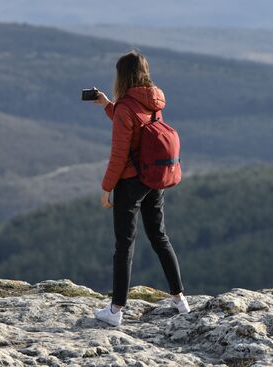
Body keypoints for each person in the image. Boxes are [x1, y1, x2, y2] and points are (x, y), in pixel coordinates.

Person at [92, 50, 190, 327]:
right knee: (159, 236)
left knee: (124, 244)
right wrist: (107, 105)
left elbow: (120, 153)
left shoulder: (126, 107)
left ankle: (115, 311)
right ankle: (180, 299)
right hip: (153, 177)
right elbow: (138, 129)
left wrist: (106, 187)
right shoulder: (154, 100)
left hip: (131, 183)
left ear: (123, 76)